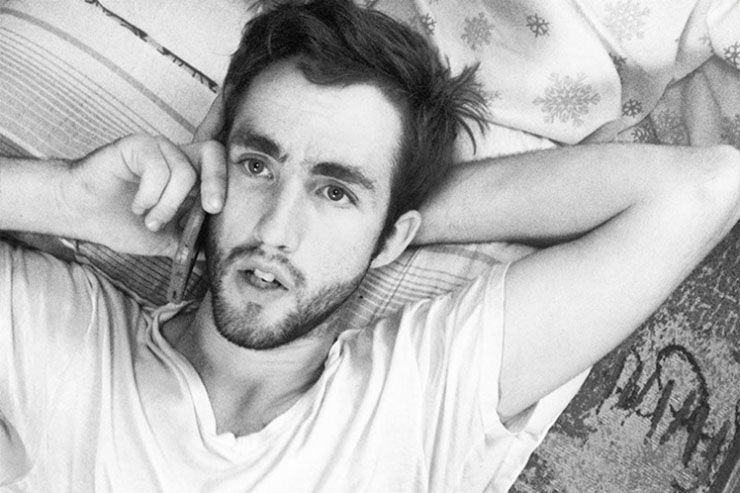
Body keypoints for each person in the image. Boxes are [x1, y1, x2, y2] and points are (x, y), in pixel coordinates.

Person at [0, 0, 738, 491]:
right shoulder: (62, 333)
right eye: (257, 166)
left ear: (394, 238)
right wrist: (62, 197)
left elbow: (708, 186)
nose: (276, 230)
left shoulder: (416, 396)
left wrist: (385, 220)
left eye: (334, 192)